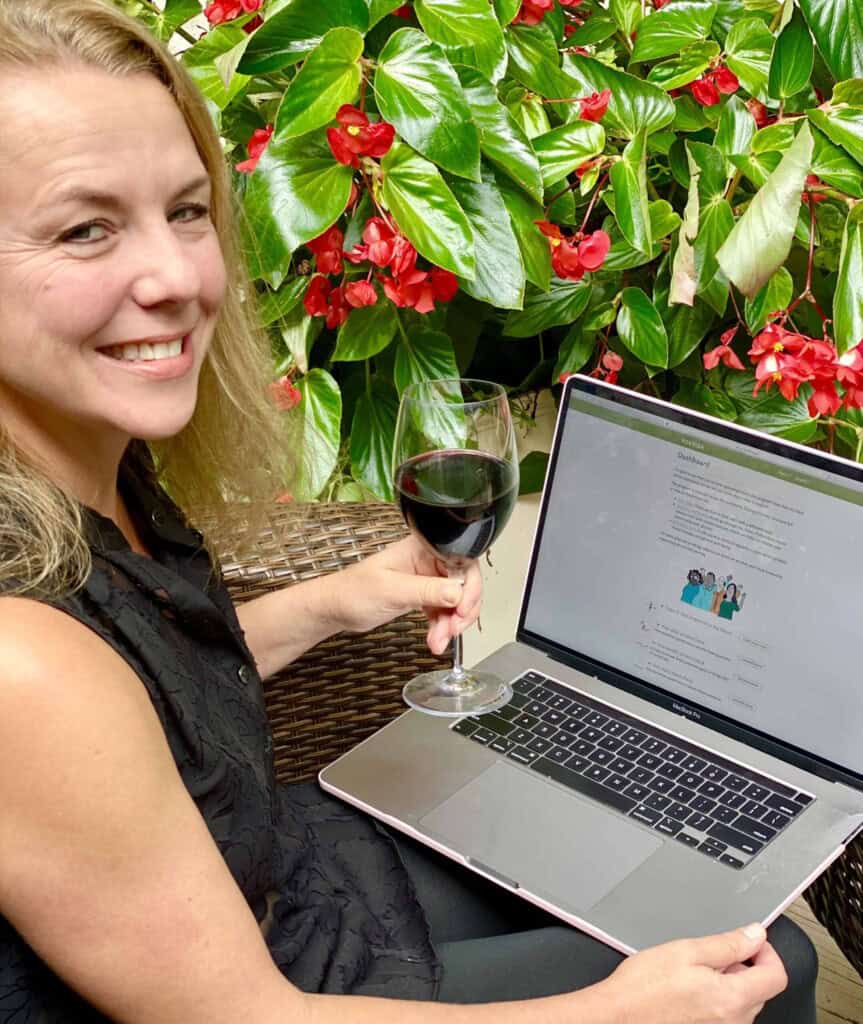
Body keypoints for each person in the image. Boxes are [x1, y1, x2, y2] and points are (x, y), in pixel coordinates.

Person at [0, 2, 817, 1021]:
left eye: (186, 209)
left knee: (689, 905)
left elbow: (134, 706)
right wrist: (612, 1013)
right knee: (762, 960)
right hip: (258, 984)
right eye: (86, 229)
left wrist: (335, 602)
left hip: (273, 880)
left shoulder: (85, 472)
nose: (176, 276)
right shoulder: (18, 659)